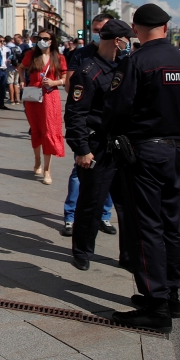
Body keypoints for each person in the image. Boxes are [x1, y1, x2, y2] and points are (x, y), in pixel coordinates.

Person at [104, 3, 180, 333]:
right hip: (175, 147)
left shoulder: (139, 61)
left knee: (146, 226)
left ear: (136, 27)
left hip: (145, 151)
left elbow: (118, 106)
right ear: (166, 26)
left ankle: (155, 304)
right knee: (169, 221)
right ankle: (171, 294)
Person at [63, 19, 132, 272]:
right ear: (117, 41)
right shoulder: (88, 71)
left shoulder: (125, 66)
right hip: (97, 145)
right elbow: (75, 114)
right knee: (91, 202)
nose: (129, 44)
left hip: (121, 145)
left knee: (126, 205)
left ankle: (128, 255)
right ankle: (82, 251)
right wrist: (81, 148)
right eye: (127, 39)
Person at [61, 14, 117, 237]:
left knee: (112, 175)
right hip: (89, 125)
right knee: (79, 172)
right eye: (95, 29)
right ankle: (70, 217)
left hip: (111, 127)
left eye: (102, 29)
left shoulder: (121, 56)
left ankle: (104, 216)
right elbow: (71, 85)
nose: (98, 33)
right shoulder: (82, 54)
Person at [21, 30, 66, 184]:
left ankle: (47, 170)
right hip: (34, 95)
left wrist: (55, 82)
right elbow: (21, 67)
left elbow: (65, 77)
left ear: (52, 41)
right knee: (36, 129)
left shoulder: (59, 57)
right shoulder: (31, 55)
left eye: (45, 38)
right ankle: (37, 160)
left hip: (50, 96)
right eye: (39, 38)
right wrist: (22, 81)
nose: (41, 41)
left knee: (50, 131)